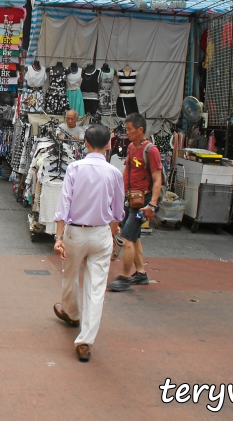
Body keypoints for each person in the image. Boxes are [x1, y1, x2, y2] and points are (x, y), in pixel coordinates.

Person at [53, 124, 125, 362]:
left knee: (69, 274)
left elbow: (64, 203)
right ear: (109, 145)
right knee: (96, 288)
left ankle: (71, 313)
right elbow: (118, 211)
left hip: (75, 233)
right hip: (101, 234)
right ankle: (85, 341)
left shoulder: (75, 168)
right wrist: (113, 232)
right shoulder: (114, 173)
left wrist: (58, 236)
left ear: (85, 144)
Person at [108, 113, 162, 292]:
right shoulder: (131, 147)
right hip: (132, 200)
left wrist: (152, 204)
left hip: (144, 203)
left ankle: (124, 278)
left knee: (127, 237)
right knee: (135, 236)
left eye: (130, 129)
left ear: (140, 130)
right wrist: (119, 194)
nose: (127, 132)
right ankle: (140, 273)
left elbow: (157, 179)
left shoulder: (151, 151)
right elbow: (126, 172)